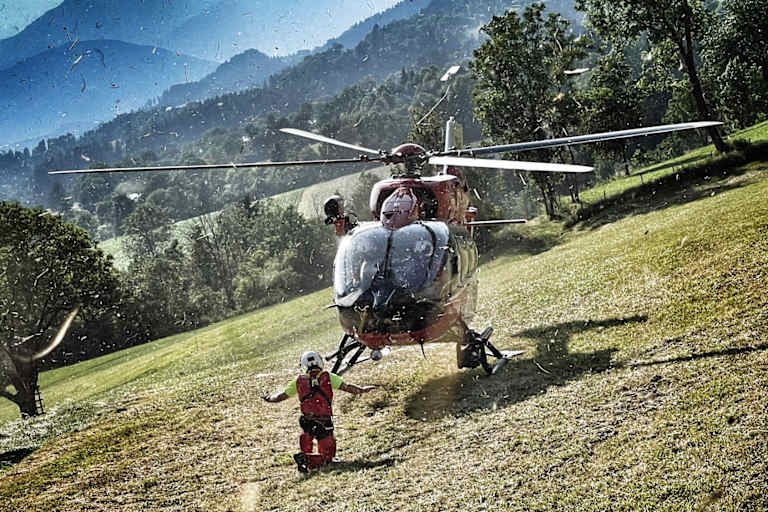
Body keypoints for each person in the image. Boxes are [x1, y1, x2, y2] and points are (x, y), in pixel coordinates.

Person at [262, 350, 376, 473]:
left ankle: (305, 458)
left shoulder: (298, 381)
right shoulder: (329, 377)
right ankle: (306, 459)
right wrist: (363, 390)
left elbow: (282, 396)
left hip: (306, 422)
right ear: (320, 362)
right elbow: (347, 387)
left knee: (306, 443)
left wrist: (269, 399)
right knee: (327, 459)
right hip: (324, 423)